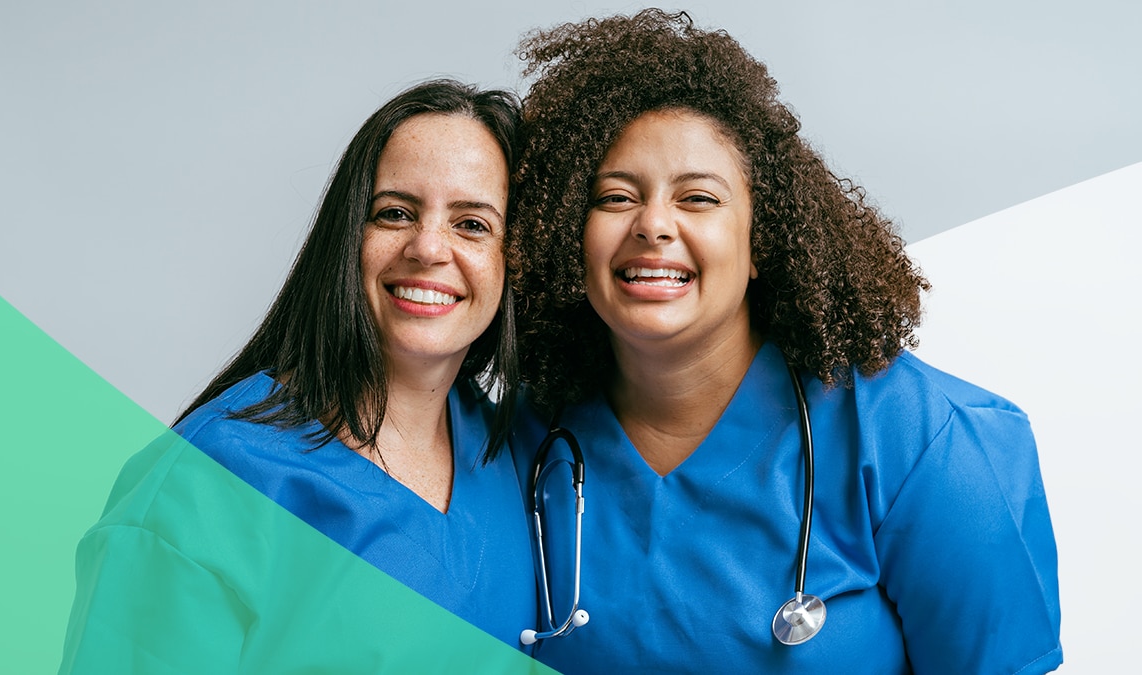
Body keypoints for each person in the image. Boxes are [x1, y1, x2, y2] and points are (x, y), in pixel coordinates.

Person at [508, 9, 1062, 674]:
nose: (653, 224)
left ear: (761, 241)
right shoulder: (527, 438)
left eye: (698, 199)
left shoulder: (924, 441)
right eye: (616, 197)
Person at [59, 79, 539, 672]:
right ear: (347, 236)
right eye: (394, 213)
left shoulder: (513, 454)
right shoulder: (209, 481)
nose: (427, 248)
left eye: (472, 224)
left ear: (515, 259)